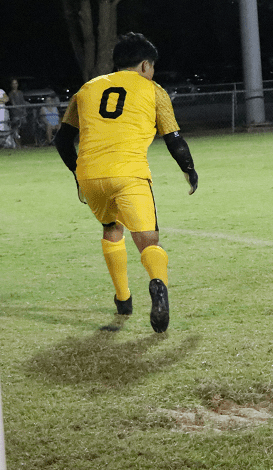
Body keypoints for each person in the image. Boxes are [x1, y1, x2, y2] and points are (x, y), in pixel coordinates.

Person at [53, 32, 198, 333]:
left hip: (91, 176)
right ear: (145, 65)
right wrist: (188, 168)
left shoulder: (85, 90)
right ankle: (157, 286)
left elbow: (63, 140)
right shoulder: (153, 90)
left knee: (111, 228)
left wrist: (77, 174)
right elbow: (173, 138)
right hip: (129, 174)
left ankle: (123, 300)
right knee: (148, 242)